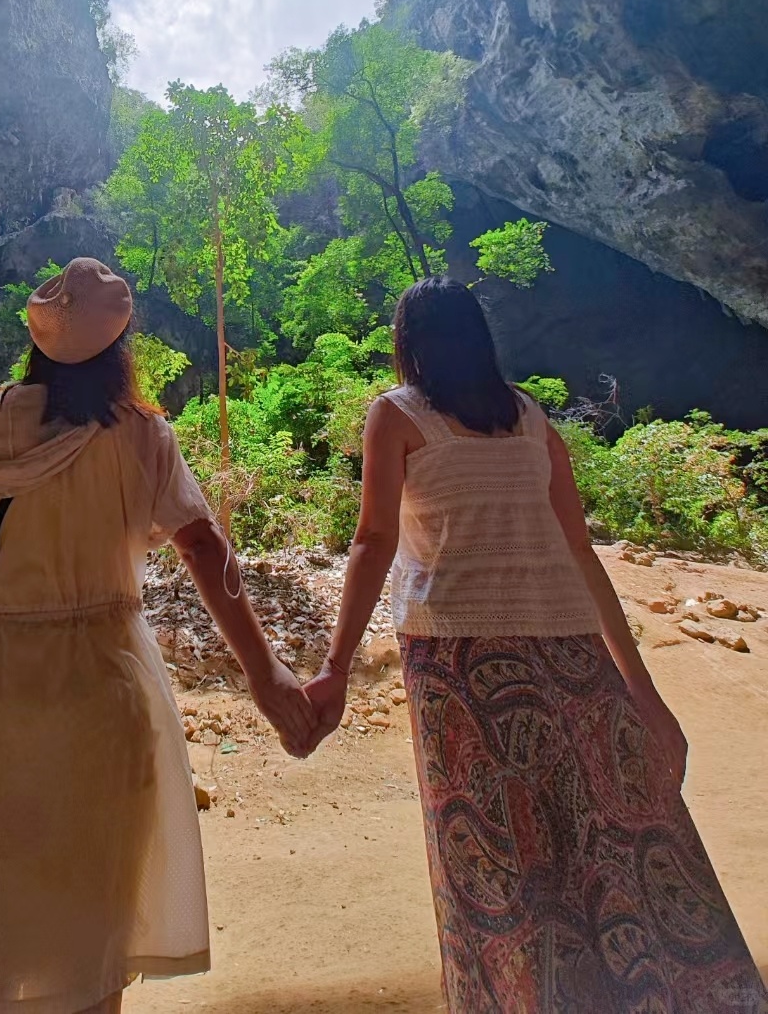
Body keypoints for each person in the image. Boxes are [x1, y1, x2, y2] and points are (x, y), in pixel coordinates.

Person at [0, 258, 314, 1014]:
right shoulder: (143, 434)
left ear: (39, 339)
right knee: (90, 936)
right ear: (121, 347)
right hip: (104, 691)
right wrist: (266, 673)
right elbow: (204, 547)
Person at [304, 276, 768, 1014]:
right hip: (570, 651)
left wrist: (333, 670)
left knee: (495, 857)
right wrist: (644, 698)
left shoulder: (396, 415)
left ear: (408, 344)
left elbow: (372, 540)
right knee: (613, 837)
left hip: (459, 659)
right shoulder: (527, 416)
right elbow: (581, 552)